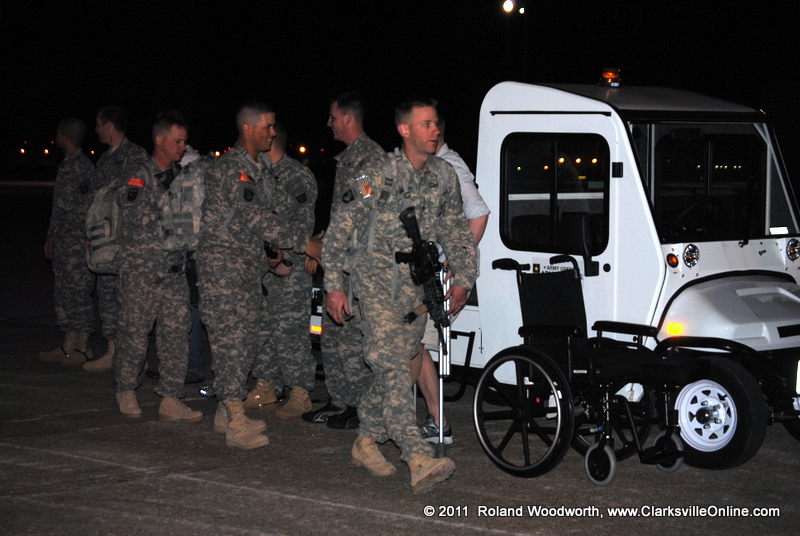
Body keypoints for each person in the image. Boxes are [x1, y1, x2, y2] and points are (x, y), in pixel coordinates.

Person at [322, 97, 477, 493]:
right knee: (392, 367)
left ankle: (366, 440)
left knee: (402, 366)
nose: (435, 130)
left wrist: (464, 279)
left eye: (436, 123)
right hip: (375, 282)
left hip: (416, 285)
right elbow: (339, 229)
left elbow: (456, 230)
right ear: (404, 130)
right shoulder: (377, 174)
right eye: (426, 124)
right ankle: (417, 456)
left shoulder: (444, 175)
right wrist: (334, 285)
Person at [196, 102, 289, 449]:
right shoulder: (232, 167)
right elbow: (255, 217)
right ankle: (236, 421)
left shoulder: (257, 167)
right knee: (229, 342)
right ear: (247, 128)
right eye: (267, 126)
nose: (273, 133)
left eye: (274, 126)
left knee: (244, 340)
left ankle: (225, 412)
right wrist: (305, 243)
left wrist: (270, 248)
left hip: (246, 268)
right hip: (223, 270)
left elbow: (255, 220)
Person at [113, 110, 202, 424]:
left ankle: (171, 398)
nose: (182, 147)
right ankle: (126, 389)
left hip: (174, 272)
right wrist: (181, 217)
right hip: (143, 272)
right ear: (160, 140)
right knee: (135, 333)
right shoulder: (138, 174)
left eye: (184, 141)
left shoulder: (183, 176)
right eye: (177, 141)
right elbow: (141, 217)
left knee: (176, 334)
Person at [301, 92, 383, 430]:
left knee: (351, 340)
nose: (329, 123)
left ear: (348, 118)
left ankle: (358, 406)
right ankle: (338, 401)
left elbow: (368, 212)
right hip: (339, 263)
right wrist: (323, 241)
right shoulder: (348, 159)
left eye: (333, 117)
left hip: (356, 267)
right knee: (333, 335)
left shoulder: (369, 161)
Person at [413, 117, 490, 444]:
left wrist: (458, 265)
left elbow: (479, 212)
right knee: (413, 342)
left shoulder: (450, 165)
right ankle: (431, 418)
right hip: (431, 270)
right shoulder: (428, 166)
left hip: (444, 274)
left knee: (414, 343)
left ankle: (437, 421)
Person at [244, 122, 318, 420]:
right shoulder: (260, 175)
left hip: (290, 268)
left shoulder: (296, 175)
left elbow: (304, 223)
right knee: (263, 328)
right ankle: (267, 385)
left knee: (290, 331)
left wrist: (286, 258)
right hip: (264, 266)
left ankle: (300, 392)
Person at [83, 106, 148, 372]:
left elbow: (137, 202)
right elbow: (97, 202)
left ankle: (134, 357)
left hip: (126, 242)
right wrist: (92, 234)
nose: (96, 130)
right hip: (105, 242)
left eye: (99, 124)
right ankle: (113, 350)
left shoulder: (135, 156)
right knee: (107, 296)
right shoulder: (105, 159)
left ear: (109, 125)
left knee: (129, 301)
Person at [39, 118, 98, 366]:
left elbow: (87, 204)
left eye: (58, 133)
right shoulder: (67, 166)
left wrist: (66, 228)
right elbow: (59, 208)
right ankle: (68, 345)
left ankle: (83, 346)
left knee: (78, 293)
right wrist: (51, 236)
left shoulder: (81, 167)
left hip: (76, 243)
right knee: (65, 294)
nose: (56, 137)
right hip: (63, 243)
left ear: (65, 136)